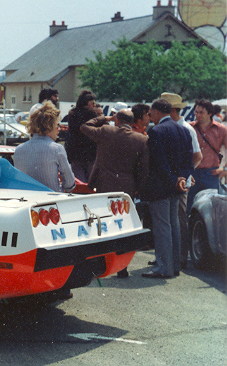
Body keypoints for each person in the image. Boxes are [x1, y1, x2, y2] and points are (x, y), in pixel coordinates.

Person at [81, 108, 149, 278]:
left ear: (117, 120)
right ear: (132, 122)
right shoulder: (141, 139)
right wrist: (138, 187)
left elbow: (84, 126)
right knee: (123, 225)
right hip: (127, 185)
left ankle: (102, 262)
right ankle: (122, 267)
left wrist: (105, 117)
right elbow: (144, 169)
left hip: (105, 183)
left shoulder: (106, 131)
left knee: (104, 222)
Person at [140, 99, 193, 279]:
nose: (150, 116)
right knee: (174, 225)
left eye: (151, 113)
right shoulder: (184, 130)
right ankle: (174, 265)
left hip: (161, 185)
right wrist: (181, 179)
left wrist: (173, 179)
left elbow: (159, 162)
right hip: (176, 186)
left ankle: (163, 268)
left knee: (162, 227)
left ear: (155, 112)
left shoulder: (156, 131)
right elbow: (189, 161)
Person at [163, 92, 201, 269]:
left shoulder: (186, 128)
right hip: (169, 180)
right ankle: (168, 256)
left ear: (171, 110)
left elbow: (197, 156)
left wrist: (186, 176)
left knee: (178, 218)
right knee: (169, 219)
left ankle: (180, 257)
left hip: (178, 181)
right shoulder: (172, 126)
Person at [14, 101, 75, 193]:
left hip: (26, 201)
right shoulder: (57, 149)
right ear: (49, 126)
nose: (59, 129)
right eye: (57, 125)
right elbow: (70, 184)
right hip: (50, 202)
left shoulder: (18, 150)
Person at [188, 99, 227, 208]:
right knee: (190, 205)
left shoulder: (221, 129)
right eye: (196, 112)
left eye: (201, 112)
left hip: (211, 173)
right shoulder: (190, 128)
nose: (198, 115)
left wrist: (224, 170)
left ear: (210, 113)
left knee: (211, 206)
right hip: (192, 172)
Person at [64, 90, 98, 182]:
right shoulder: (92, 116)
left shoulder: (72, 114)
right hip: (90, 154)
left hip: (75, 154)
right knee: (91, 183)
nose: (94, 105)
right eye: (93, 103)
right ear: (85, 104)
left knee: (79, 182)